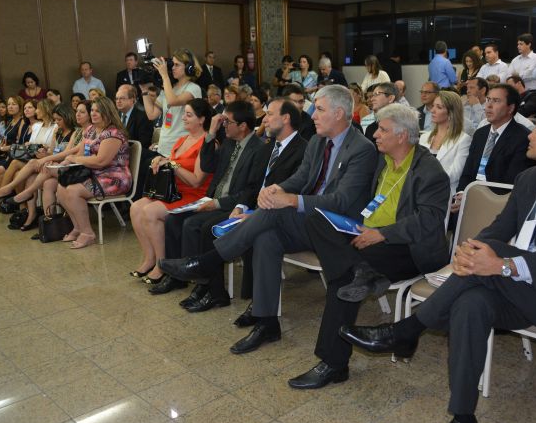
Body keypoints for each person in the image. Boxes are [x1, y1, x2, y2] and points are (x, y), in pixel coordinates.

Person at [340, 103, 536, 423]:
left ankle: (407, 329)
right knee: (472, 304)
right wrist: (471, 249)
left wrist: (500, 263)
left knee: (494, 255)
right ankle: (462, 420)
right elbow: (498, 229)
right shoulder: (530, 179)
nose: (529, 133)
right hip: (520, 287)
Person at [158, 85, 378, 355]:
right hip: (308, 220)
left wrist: (291, 200)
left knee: (276, 211)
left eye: (319, 109)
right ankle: (266, 322)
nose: (312, 115)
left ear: (340, 113)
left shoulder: (362, 149)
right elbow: (302, 177)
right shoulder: (319, 141)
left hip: (336, 226)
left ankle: (208, 261)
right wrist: (279, 188)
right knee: (266, 237)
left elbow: (341, 201)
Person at [287, 103, 450, 390]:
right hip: (368, 234)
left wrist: (382, 234)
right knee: (318, 220)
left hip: (407, 248)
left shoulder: (430, 171)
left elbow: (429, 222)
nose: (375, 134)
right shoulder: (381, 161)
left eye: (383, 130)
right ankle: (361, 271)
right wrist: (358, 226)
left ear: (402, 136)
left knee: (343, 282)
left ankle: (333, 364)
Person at [184, 98, 309, 314]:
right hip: (252, 207)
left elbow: (294, 192)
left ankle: (212, 283)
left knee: (210, 229)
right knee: (197, 224)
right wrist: (241, 206)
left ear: (286, 118)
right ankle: (207, 285)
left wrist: (252, 212)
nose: (265, 120)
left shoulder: (303, 150)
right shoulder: (269, 148)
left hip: (278, 213)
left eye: (270, 115)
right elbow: (253, 186)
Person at [149, 100, 264, 296]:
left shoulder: (259, 149)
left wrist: (218, 203)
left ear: (243, 126)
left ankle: (208, 287)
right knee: (174, 220)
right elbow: (209, 165)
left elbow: (251, 190)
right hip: (212, 198)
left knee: (197, 226)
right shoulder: (228, 143)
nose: (224, 125)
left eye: (228, 122)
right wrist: (211, 133)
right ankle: (178, 277)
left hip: (234, 205)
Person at [130, 98, 213, 284]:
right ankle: (149, 258)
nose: (183, 118)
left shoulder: (206, 143)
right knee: (135, 207)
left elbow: (197, 181)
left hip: (194, 195)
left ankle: (162, 264)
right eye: (184, 113)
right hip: (173, 191)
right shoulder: (182, 139)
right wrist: (159, 161)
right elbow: (172, 161)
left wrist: (172, 164)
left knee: (150, 212)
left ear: (202, 119)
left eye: (189, 114)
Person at [56, 96, 131, 249]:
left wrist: (76, 159)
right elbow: (81, 153)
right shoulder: (90, 130)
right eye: (93, 110)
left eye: (99, 111)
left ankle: (88, 233)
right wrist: (67, 161)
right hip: (94, 174)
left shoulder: (113, 133)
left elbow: (101, 161)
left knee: (74, 191)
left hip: (114, 178)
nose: (94, 113)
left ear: (108, 112)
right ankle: (78, 227)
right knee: (60, 189)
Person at [5, 102, 92, 222]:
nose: (78, 114)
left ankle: (18, 191)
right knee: (47, 183)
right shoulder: (76, 131)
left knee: (38, 166)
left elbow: (75, 155)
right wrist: (48, 156)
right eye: (77, 111)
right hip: (68, 165)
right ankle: (48, 222)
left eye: (82, 112)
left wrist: (50, 159)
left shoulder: (87, 132)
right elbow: (66, 152)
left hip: (80, 169)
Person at [0, 103, 77, 230]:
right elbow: (53, 152)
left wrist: (47, 158)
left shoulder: (74, 132)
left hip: (67, 167)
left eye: (59, 119)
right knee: (40, 180)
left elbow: (67, 155)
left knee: (30, 165)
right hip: (53, 165)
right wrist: (45, 154)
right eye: (55, 119)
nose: (57, 122)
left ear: (68, 117)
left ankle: (15, 192)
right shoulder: (58, 131)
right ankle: (42, 221)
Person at [454, 84, 536, 212]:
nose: (488, 106)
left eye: (496, 101)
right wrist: (461, 192)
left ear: (511, 108)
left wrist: (474, 198)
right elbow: (468, 171)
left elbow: (510, 184)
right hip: (472, 195)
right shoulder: (480, 134)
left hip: (498, 203)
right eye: (488, 100)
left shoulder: (523, 138)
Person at [140, 48, 202, 157]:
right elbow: (151, 114)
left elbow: (173, 101)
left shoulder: (193, 89)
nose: (172, 68)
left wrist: (164, 76)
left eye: (177, 65)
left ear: (188, 68)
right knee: (159, 170)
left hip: (181, 148)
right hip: (164, 146)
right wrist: (144, 91)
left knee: (175, 169)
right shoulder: (169, 89)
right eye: (172, 64)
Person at [419, 91, 472, 192]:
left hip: (444, 192)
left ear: (451, 112)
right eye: (433, 106)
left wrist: (426, 181)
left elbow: (455, 174)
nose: (432, 110)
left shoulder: (463, 140)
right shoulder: (424, 137)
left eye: (439, 107)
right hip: (420, 190)